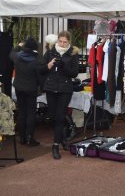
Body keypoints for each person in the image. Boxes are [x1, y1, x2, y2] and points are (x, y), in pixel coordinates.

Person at [40, 31, 79, 159]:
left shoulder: (73, 53)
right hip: (51, 88)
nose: (62, 44)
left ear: (69, 42)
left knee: (60, 117)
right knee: (53, 117)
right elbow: (40, 69)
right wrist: (49, 65)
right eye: (60, 41)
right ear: (57, 41)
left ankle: (55, 145)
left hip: (65, 89)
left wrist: (64, 67)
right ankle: (62, 140)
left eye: (65, 42)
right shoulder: (50, 52)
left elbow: (74, 73)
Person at [9, 38, 41, 146]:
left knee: (22, 112)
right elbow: (39, 76)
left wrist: (18, 45)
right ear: (35, 48)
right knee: (31, 113)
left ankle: (22, 137)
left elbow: (11, 53)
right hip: (31, 89)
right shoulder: (36, 61)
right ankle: (29, 138)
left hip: (19, 88)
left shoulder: (17, 57)